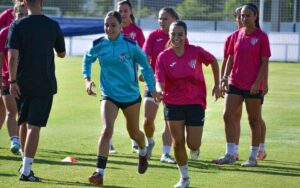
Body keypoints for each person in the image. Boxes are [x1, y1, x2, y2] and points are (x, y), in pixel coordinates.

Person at [83, 11, 160, 187]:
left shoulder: (130, 46)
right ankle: (99, 173)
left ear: (120, 27)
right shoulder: (99, 44)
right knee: (106, 129)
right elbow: (87, 60)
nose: (109, 28)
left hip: (131, 96)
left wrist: (153, 89)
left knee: (134, 133)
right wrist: (87, 79)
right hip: (109, 95)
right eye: (106, 25)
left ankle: (143, 151)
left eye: (113, 25)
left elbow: (146, 68)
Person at [156, 20, 221, 188]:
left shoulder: (196, 51)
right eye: (173, 34)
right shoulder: (163, 56)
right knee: (178, 142)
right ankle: (184, 178)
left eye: (180, 34)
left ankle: (195, 148)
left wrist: (217, 84)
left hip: (195, 102)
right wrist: (159, 91)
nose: (176, 37)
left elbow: (213, 61)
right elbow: (159, 80)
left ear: (185, 35)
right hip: (173, 102)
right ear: (169, 35)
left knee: (193, 144)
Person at [6, 0, 66, 181]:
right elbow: (62, 53)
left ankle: (24, 166)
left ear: (25, 3)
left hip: (21, 83)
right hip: (44, 83)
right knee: (34, 127)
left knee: (23, 122)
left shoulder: (17, 24)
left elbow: (12, 56)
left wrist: (12, 80)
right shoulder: (52, 25)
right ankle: (26, 171)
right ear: (42, 2)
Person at [212, 3, 271, 167]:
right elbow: (230, 57)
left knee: (254, 120)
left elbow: (265, 62)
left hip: (252, 85)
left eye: (248, 16)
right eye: (242, 16)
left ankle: (253, 157)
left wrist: (258, 83)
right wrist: (224, 78)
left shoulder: (261, 36)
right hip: (235, 82)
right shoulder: (237, 35)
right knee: (227, 115)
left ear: (255, 17)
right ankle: (230, 154)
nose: (244, 18)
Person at [141, 7, 180, 164]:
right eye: (159, 18)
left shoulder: (180, 37)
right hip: (153, 82)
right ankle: (150, 142)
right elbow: (145, 57)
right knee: (147, 120)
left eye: (165, 19)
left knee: (169, 121)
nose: (161, 21)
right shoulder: (153, 36)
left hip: (174, 86)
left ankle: (165, 153)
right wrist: (145, 72)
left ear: (173, 20)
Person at [108, 0, 146, 154]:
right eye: (120, 11)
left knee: (130, 113)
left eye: (125, 11)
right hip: (111, 79)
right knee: (110, 112)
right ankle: (108, 142)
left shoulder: (137, 32)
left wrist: (143, 71)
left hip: (130, 80)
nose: (122, 14)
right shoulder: (112, 29)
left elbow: (143, 55)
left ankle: (135, 142)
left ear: (130, 12)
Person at [0, 0, 27, 155]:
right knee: (11, 111)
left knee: (24, 113)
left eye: (25, 15)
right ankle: (14, 141)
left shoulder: (31, 34)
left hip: (26, 79)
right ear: (14, 15)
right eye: (20, 14)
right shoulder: (4, 33)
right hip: (7, 78)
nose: (22, 17)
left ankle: (23, 143)